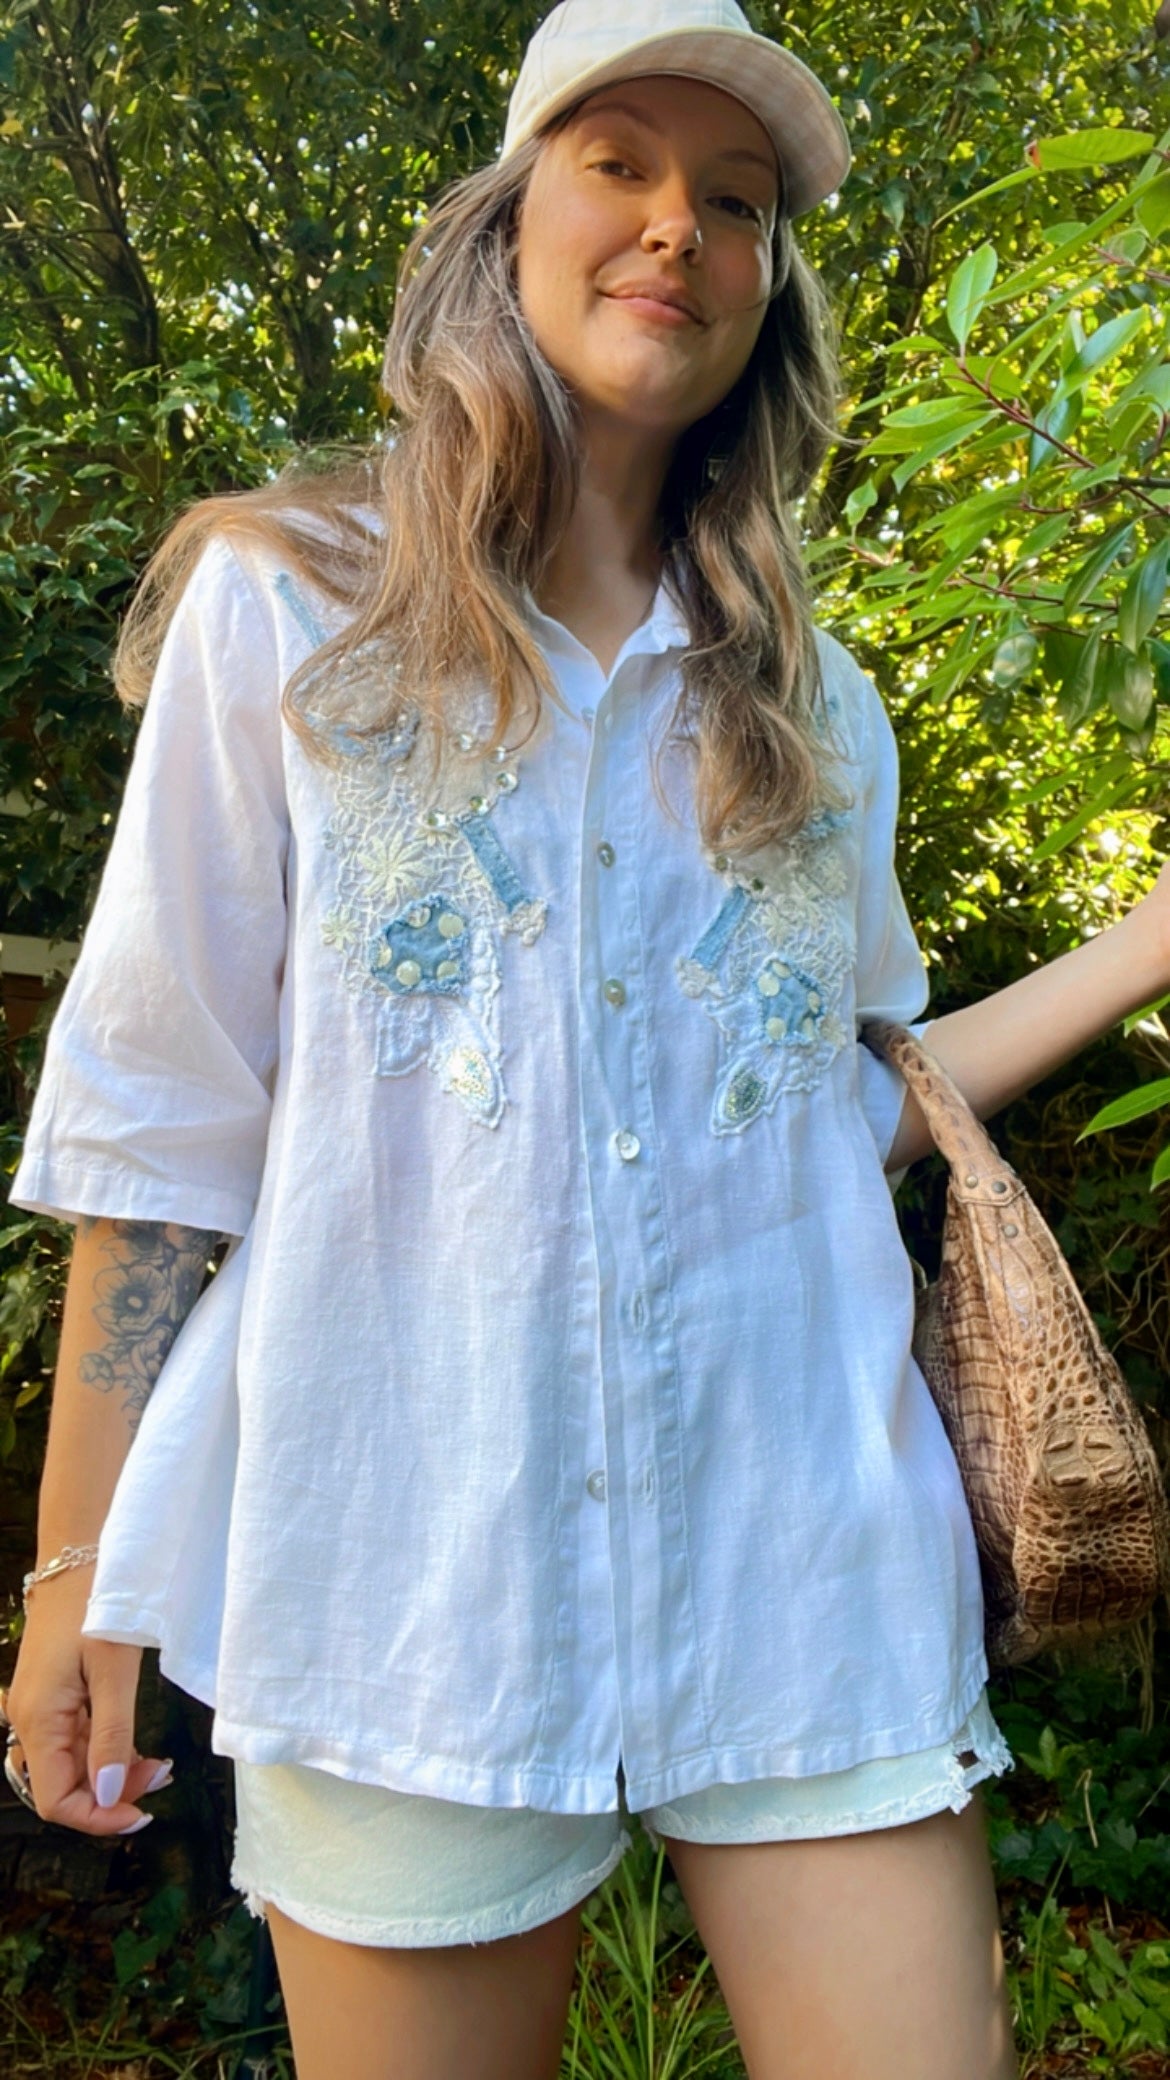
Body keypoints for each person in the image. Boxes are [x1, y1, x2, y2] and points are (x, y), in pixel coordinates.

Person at [3, 2, 1168, 2074]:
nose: (677, 227)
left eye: (737, 200)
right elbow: (162, 1129)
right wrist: (73, 1566)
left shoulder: (814, 710)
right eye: (619, 163)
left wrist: (1149, 942)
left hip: (804, 1559)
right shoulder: (292, 616)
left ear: (766, 287)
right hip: (405, 1584)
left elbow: (842, 1106)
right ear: (505, 221)